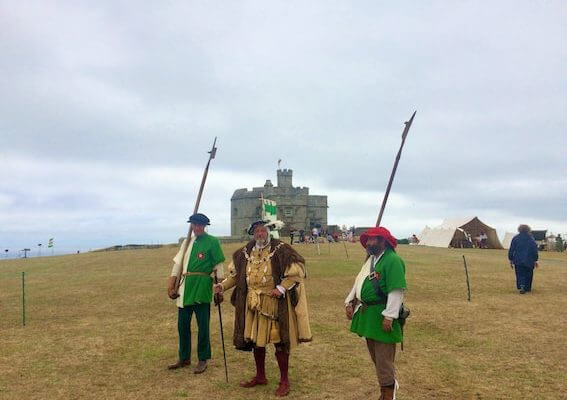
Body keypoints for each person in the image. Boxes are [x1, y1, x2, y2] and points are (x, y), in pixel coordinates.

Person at [214, 220, 312, 397]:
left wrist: (281, 288)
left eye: (262, 231)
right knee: (256, 341)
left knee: (279, 342)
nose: (260, 234)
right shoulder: (245, 252)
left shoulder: (282, 249)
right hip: (252, 303)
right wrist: (222, 286)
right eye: (257, 231)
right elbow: (236, 277)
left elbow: (297, 272)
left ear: (268, 232)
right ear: (253, 233)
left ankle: (284, 381)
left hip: (274, 304)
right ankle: (260, 376)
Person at [345, 227, 407, 400]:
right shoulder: (372, 260)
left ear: (383, 241)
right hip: (368, 315)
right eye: (369, 240)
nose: (370, 243)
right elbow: (359, 282)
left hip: (382, 315)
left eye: (374, 240)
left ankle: (388, 394)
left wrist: (389, 316)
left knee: (384, 360)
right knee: (376, 358)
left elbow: (396, 290)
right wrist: (350, 301)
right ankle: (386, 389)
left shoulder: (393, 260)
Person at [167, 213, 226, 373]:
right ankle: (184, 358)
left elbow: (218, 266)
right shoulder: (187, 242)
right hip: (185, 288)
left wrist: (219, 288)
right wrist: (171, 285)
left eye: (200, 225)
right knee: (182, 326)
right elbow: (177, 265)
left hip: (202, 287)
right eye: (195, 224)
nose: (197, 227)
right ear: (191, 225)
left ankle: (203, 359)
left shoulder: (212, 241)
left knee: (203, 326)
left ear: (205, 226)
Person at [508, 224, 539, 294]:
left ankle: (521, 286)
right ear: (528, 230)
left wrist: (510, 258)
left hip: (518, 259)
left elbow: (512, 249)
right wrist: (535, 259)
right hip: (529, 259)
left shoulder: (515, 238)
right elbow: (534, 250)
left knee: (519, 273)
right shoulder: (531, 239)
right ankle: (527, 287)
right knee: (529, 273)